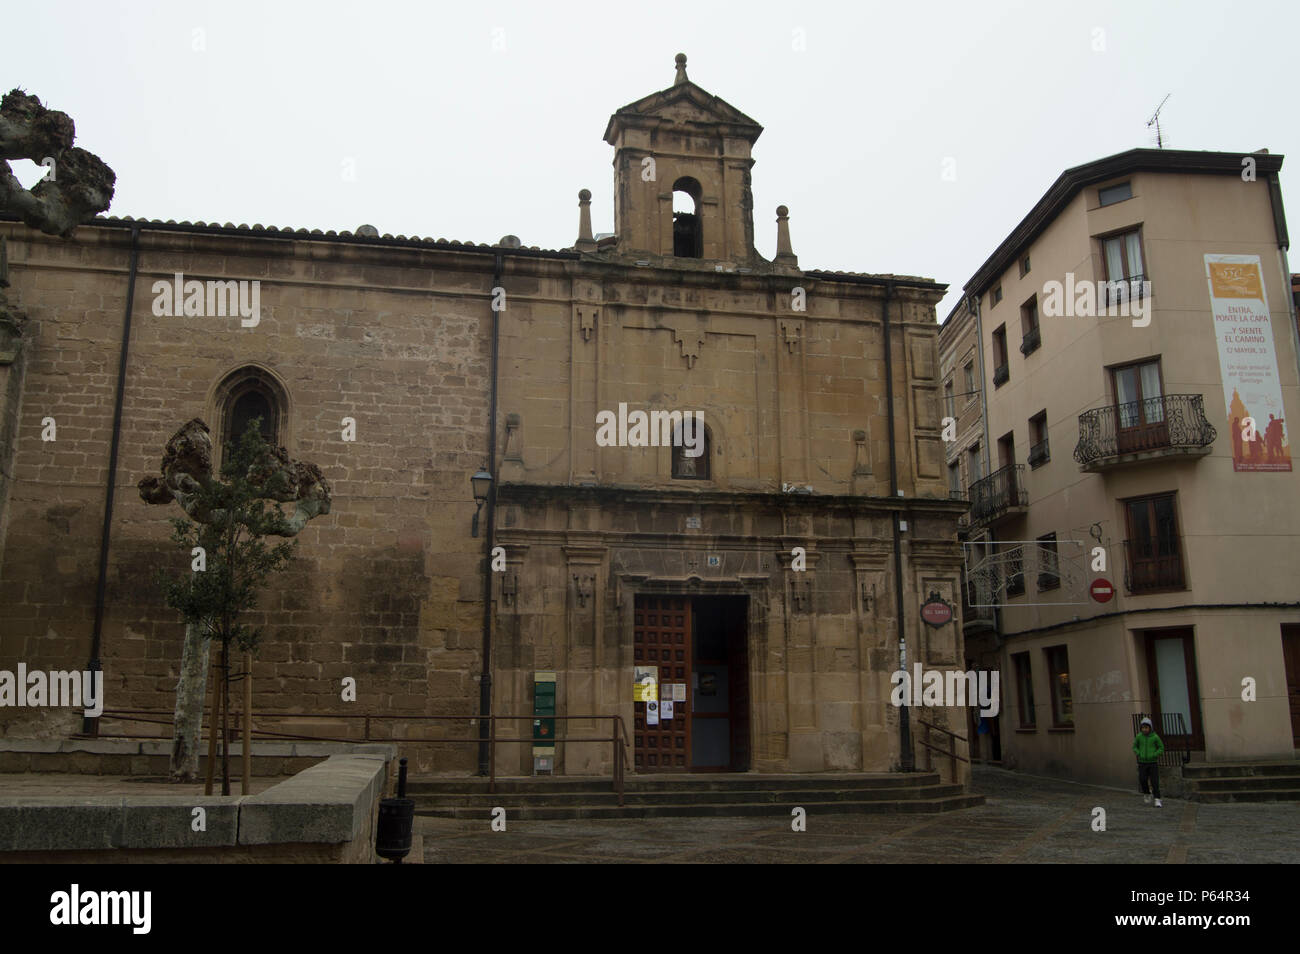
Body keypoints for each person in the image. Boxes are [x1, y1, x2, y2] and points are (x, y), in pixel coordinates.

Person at [1133, 716, 1164, 807]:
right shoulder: (1139, 737)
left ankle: (1157, 799)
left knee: (1155, 782)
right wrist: (1138, 753)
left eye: (1146, 727)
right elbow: (1134, 746)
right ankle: (1147, 793)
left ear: (1150, 728)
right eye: (1143, 728)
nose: (1145, 729)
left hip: (1152, 762)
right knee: (1142, 779)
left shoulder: (1155, 737)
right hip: (1142, 762)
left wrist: (1155, 754)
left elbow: (1161, 747)